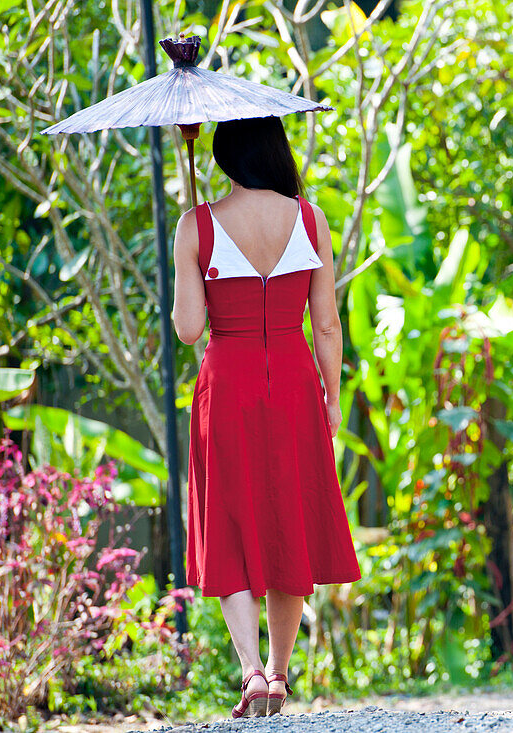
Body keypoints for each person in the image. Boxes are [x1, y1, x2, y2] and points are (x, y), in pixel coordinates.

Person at [171, 116, 361, 718]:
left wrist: (191, 250)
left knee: (228, 520)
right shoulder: (310, 219)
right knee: (288, 521)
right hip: (294, 382)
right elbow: (326, 323)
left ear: (226, 151)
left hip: (227, 384)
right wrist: (331, 397)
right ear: (275, 150)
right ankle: (279, 675)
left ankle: (250, 670)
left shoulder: (196, 224)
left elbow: (189, 329)